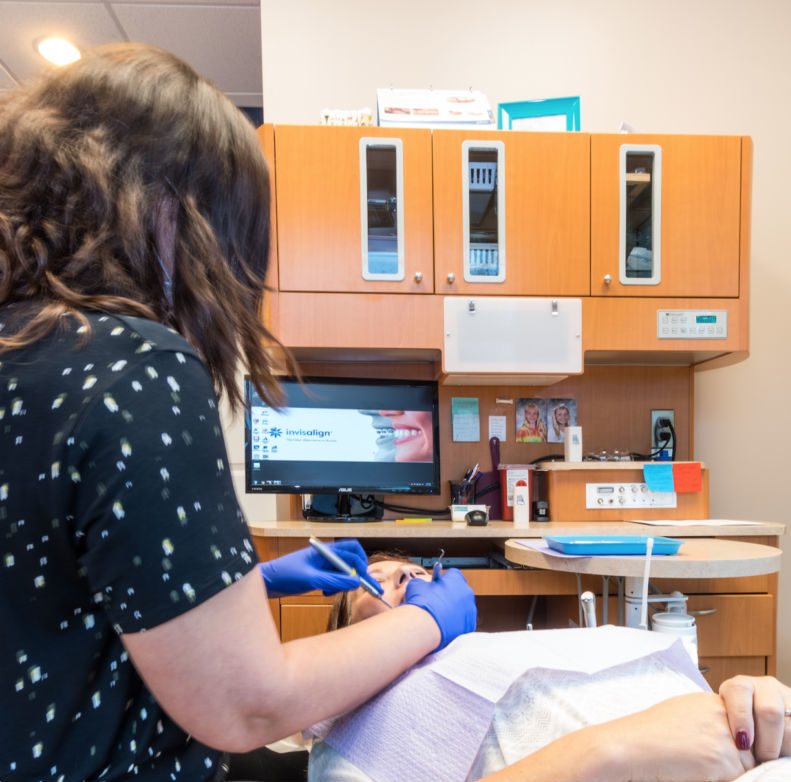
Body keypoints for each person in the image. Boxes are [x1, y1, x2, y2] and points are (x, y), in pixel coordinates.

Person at [0, 43, 477, 782]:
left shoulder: (24, 339)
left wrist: (249, 584)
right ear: (170, 213)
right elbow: (247, 707)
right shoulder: (133, 364)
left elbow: (51, 585)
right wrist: (428, 620)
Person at [311, 555, 791, 782]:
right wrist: (625, 745)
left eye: (410, 567)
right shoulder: (356, 732)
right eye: (374, 582)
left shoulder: (507, 652)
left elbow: (786, 725)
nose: (405, 576)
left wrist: (772, 703)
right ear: (340, 643)